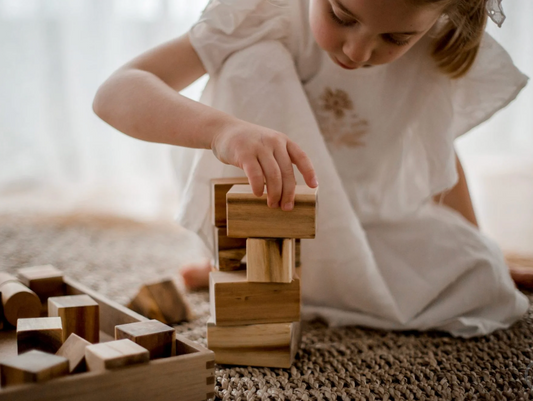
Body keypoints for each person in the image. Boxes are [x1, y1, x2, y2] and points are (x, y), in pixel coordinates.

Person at [93, 0, 529, 338]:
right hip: (266, 204)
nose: (358, 51)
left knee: (482, 278)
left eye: (395, 38)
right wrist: (223, 131)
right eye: (341, 15)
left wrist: (479, 242)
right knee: (253, 61)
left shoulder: (436, 35)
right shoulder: (267, 13)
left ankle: (275, 273)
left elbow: (434, 151)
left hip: (361, 221)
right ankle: (244, 256)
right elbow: (115, 92)